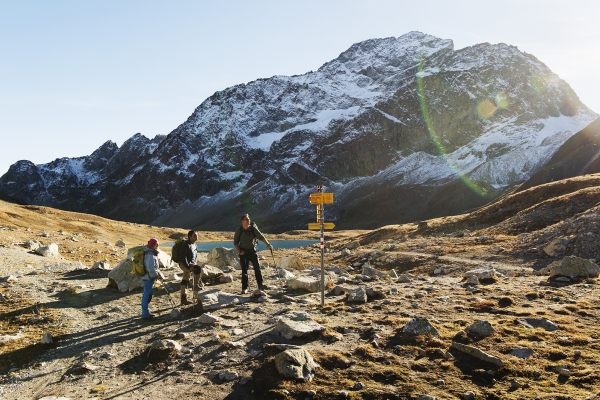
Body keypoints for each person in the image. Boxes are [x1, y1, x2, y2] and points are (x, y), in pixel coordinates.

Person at [233, 214, 273, 294]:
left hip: (252, 251)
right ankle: (244, 288)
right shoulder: (239, 231)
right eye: (246, 219)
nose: (248, 221)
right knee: (244, 271)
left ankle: (260, 285)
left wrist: (268, 245)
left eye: (248, 219)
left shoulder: (253, 229)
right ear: (242, 221)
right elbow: (236, 243)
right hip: (243, 253)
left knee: (257, 268)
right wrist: (240, 252)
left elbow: (261, 237)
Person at [141, 238, 164, 320]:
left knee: (147, 295)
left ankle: (146, 313)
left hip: (148, 277)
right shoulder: (150, 254)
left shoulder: (150, 252)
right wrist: (155, 275)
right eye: (157, 244)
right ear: (153, 245)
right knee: (147, 296)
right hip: (149, 278)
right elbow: (150, 267)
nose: (158, 246)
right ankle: (145, 315)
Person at [178, 230, 202, 305]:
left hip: (190, 264)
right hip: (184, 264)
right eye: (194, 235)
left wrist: (193, 263)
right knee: (197, 269)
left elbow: (195, 255)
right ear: (190, 237)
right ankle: (196, 286)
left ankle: (183, 298)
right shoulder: (186, 244)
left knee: (185, 279)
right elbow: (183, 256)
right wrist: (188, 267)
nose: (196, 236)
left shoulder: (194, 244)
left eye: (197, 235)